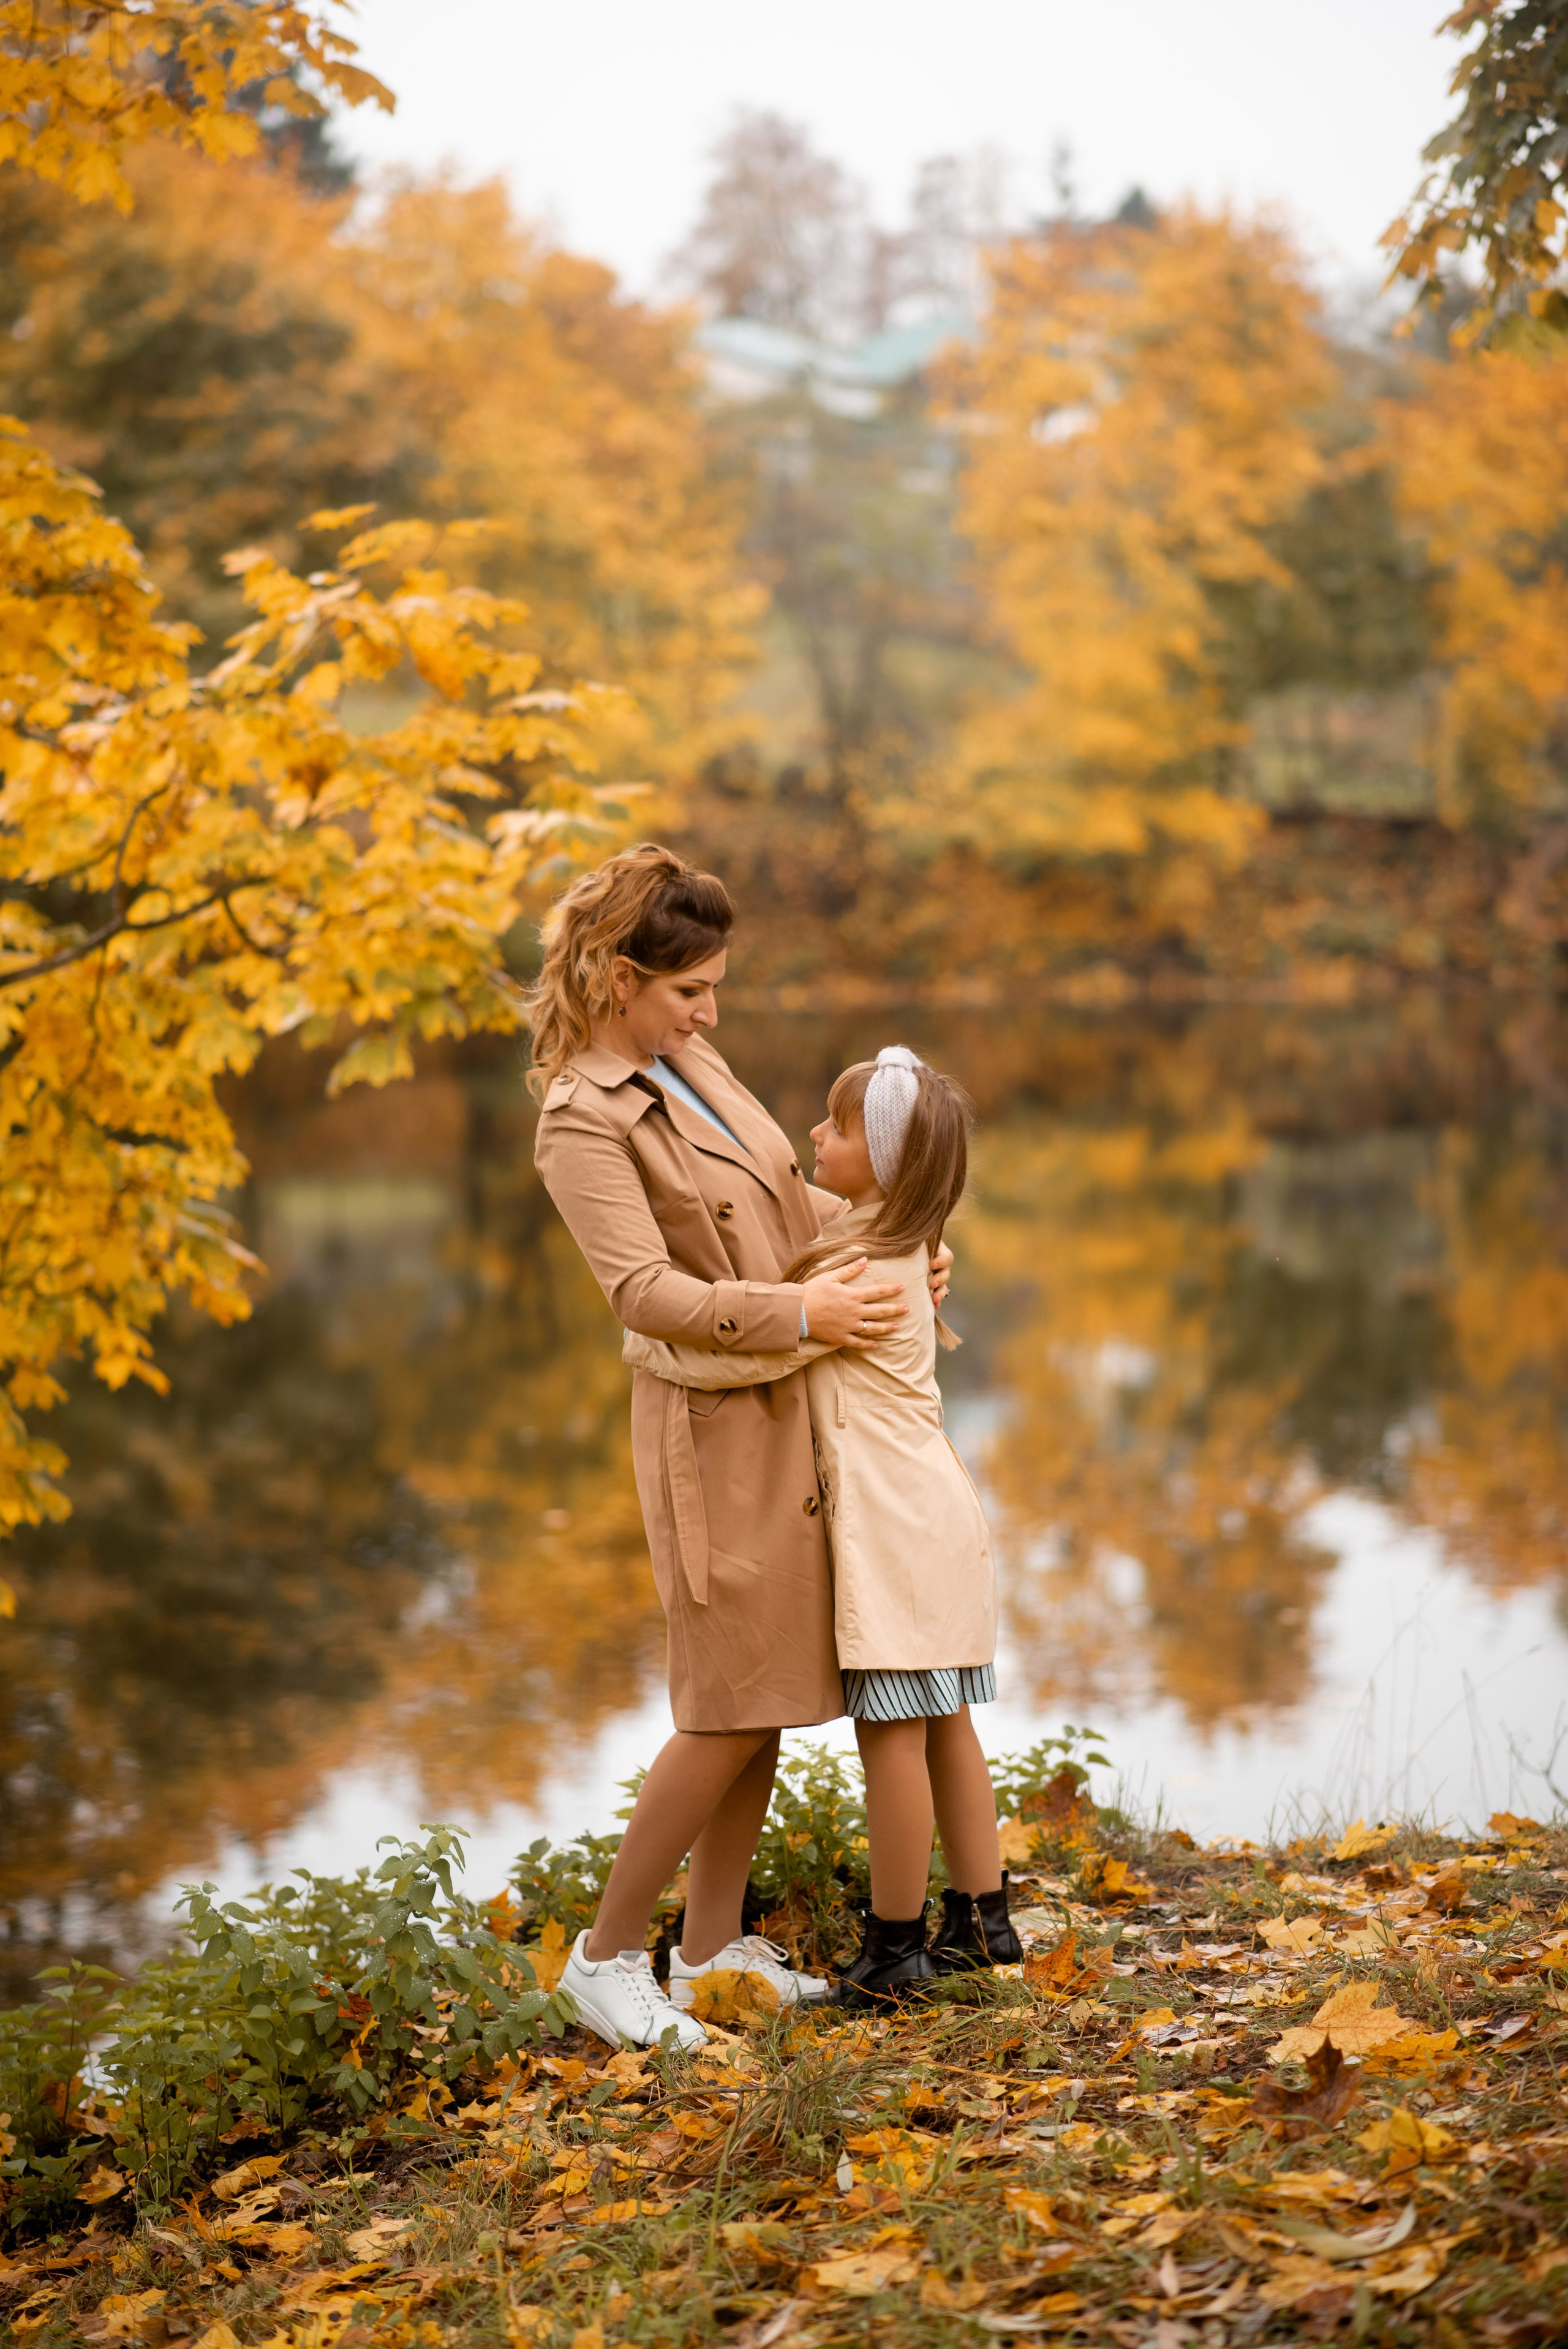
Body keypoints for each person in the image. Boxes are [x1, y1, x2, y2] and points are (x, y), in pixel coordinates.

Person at [527, 846, 952, 2049]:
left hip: (791, 1405)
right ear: (619, 978)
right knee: (721, 1705)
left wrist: (889, 1246)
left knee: (760, 1697)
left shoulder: (690, 1061)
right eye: (687, 991)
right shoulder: (580, 1118)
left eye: (714, 989)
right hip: (710, 1426)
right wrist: (806, 1313)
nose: (711, 1014)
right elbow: (644, 1292)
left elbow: (781, 1203)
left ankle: (710, 1951)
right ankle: (606, 1957)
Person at [625, 1045, 1023, 2005]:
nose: (812, 1137)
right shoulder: (893, 1241)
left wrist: (652, 1340)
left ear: (881, 1162)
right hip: (939, 1516)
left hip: (892, 1529)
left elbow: (778, 1351)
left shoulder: (851, 1267)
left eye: (836, 1128)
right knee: (946, 1722)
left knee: (892, 1735)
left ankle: (895, 1945)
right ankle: (983, 1916)